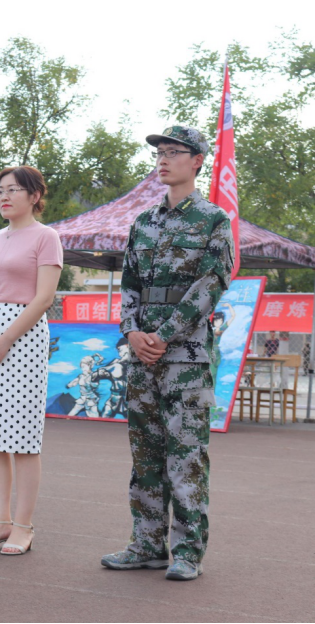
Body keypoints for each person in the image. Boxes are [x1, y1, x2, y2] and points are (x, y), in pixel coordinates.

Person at [103, 126, 234, 581]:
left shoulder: (214, 220)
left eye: (173, 152)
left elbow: (211, 284)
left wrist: (162, 335)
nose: (162, 159)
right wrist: (133, 332)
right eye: (159, 152)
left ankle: (188, 551)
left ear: (197, 160)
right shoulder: (143, 222)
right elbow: (130, 284)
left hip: (185, 358)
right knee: (146, 455)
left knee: (186, 455)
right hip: (143, 356)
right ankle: (146, 544)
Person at [0, 166, 63, 556]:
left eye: (14, 190)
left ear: (35, 196)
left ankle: (23, 526)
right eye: (0, 190)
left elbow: (44, 298)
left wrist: (5, 338)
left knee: (22, 437)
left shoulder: (46, 237)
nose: (4, 196)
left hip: (24, 338)